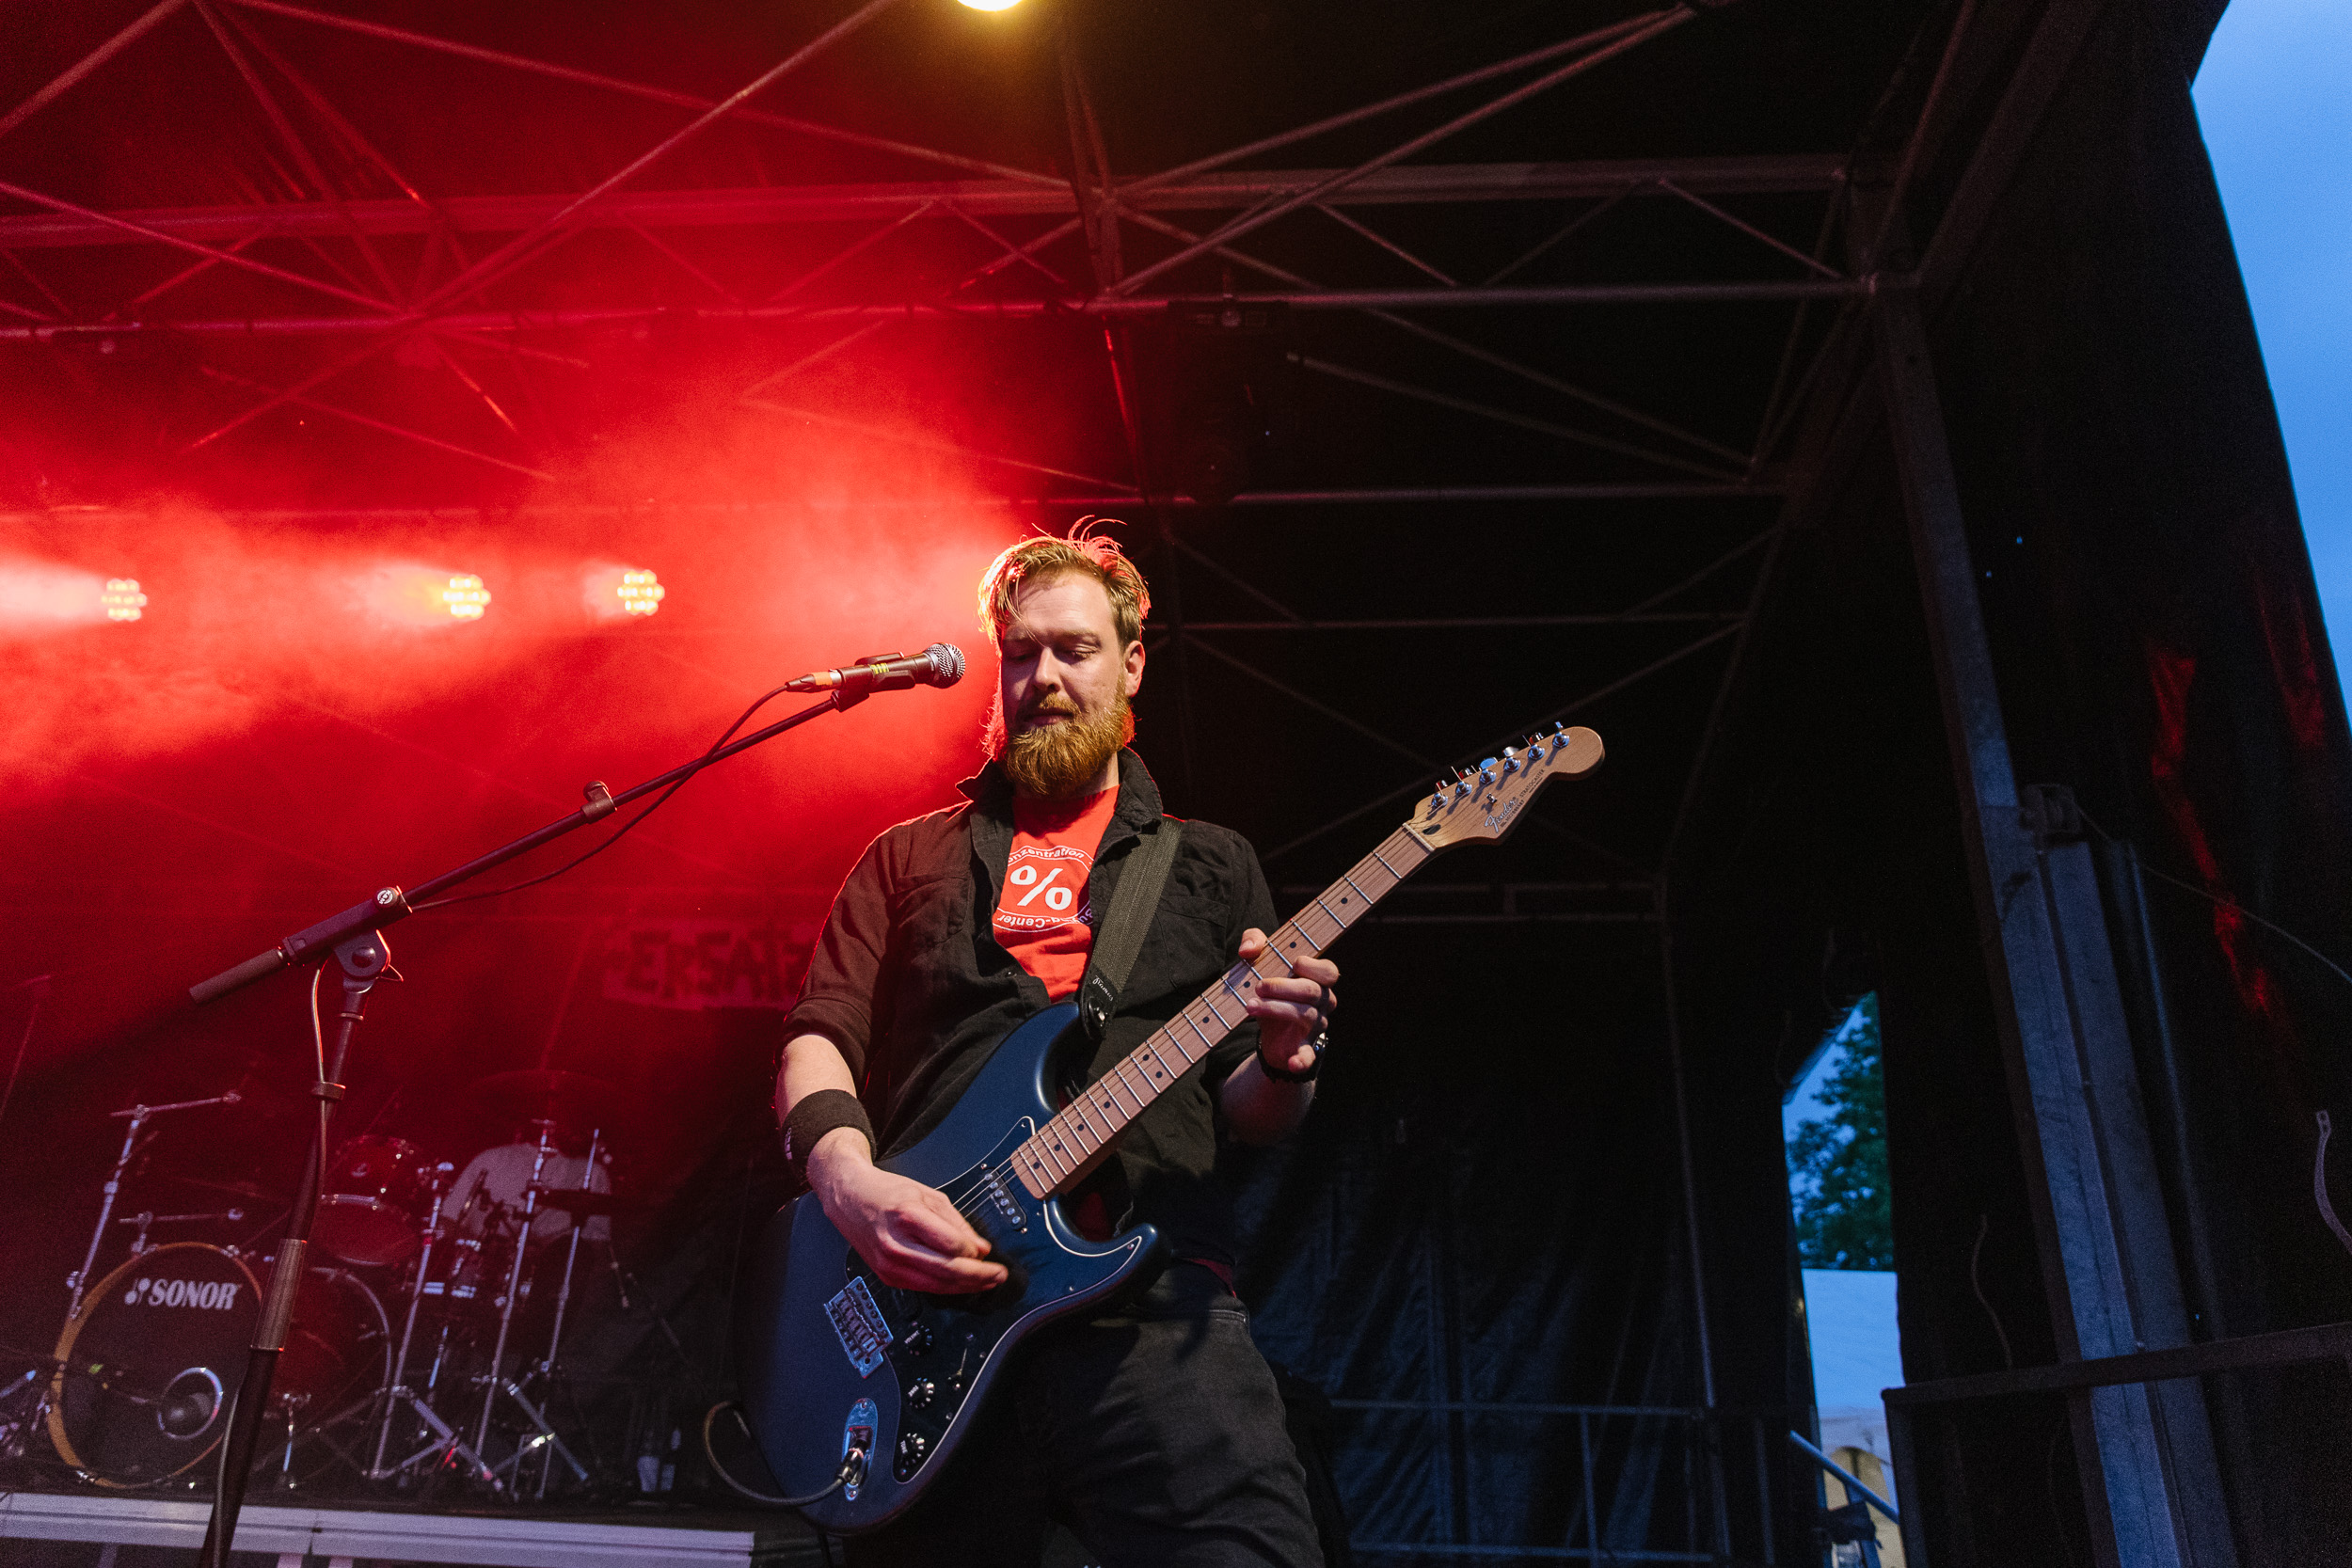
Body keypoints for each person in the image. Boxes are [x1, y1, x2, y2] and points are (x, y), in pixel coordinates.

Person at [773, 526, 1338, 1566]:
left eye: (1074, 649)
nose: (1044, 677)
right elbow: (821, 1035)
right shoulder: (906, 856)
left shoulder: (1213, 864)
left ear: (1131, 664)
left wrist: (1281, 1059)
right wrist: (849, 1186)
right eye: (1021, 652)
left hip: (1153, 1311)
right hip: (929, 1316)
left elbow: (1253, 1114)